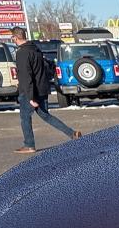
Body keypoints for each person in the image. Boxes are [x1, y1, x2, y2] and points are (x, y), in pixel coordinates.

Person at [11, 26, 80, 154]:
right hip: (42, 88)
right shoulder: (36, 49)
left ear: (15, 37)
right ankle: (72, 133)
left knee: (25, 118)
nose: (12, 40)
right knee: (45, 115)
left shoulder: (22, 52)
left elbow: (27, 75)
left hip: (30, 91)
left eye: (12, 38)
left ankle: (29, 144)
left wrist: (31, 97)